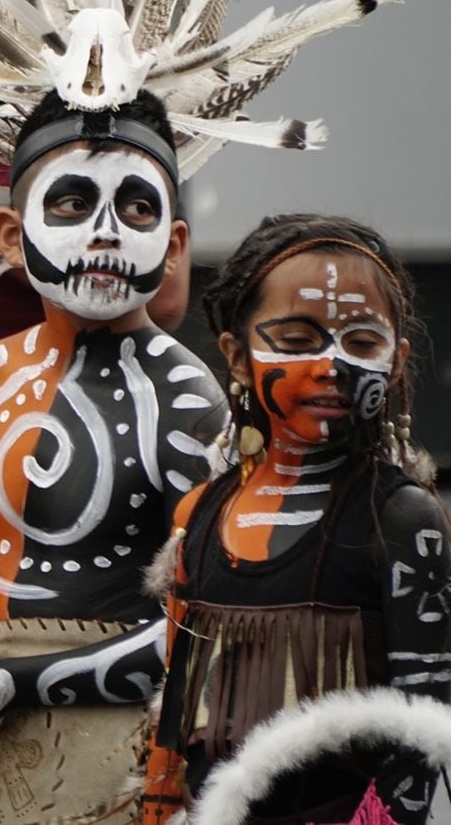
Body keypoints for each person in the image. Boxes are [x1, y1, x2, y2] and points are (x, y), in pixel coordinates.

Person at [0, 89, 226, 823]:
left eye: (137, 209)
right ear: (12, 237)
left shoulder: (187, 398)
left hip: (125, 747)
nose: (107, 233)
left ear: (174, 245)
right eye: (73, 204)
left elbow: (196, 627)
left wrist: (11, 684)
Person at [141, 215, 451, 823]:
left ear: (395, 362)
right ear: (235, 356)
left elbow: (425, 729)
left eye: (362, 343)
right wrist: (158, 800)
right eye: (297, 340)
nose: (331, 366)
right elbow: (177, 695)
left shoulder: (404, 519)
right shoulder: (202, 512)